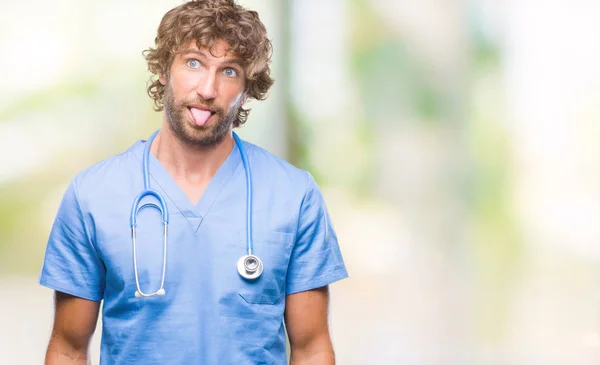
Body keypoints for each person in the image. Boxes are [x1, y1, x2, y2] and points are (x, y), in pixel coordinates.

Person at [39, 1, 348, 364]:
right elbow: (68, 349)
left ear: (248, 89)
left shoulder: (293, 195)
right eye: (193, 62)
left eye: (229, 71)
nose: (208, 87)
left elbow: (311, 349)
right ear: (163, 71)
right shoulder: (92, 196)